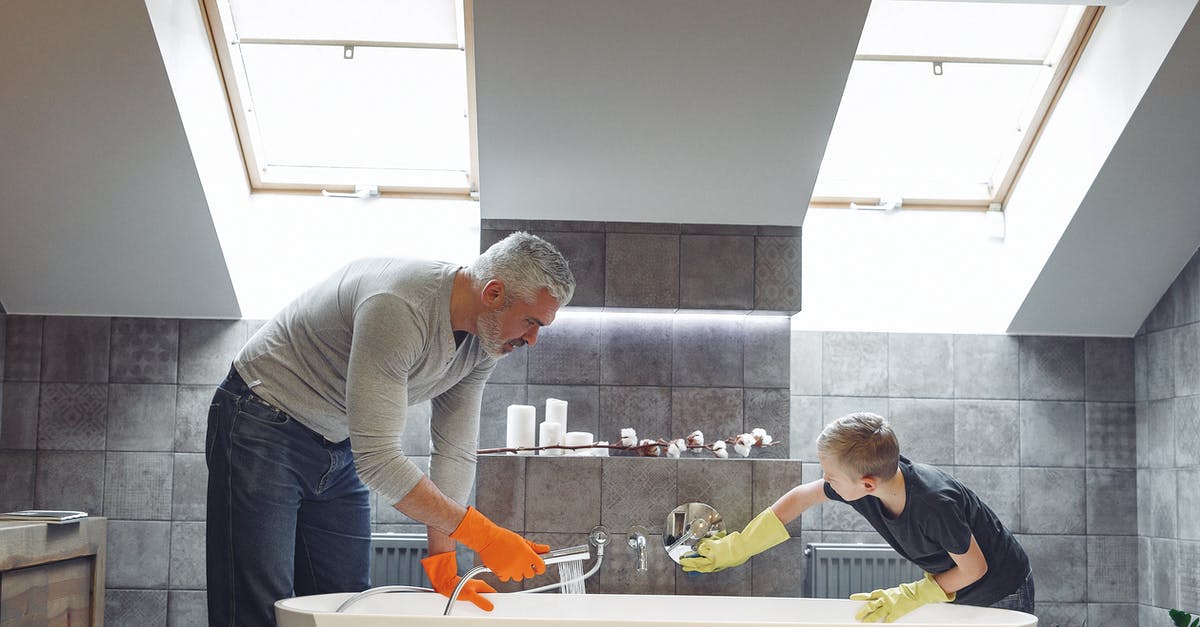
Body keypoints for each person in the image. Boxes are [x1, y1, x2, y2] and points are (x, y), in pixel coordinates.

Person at [205, 232, 575, 626]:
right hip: (262, 421)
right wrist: (483, 536)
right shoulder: (399, 306)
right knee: (256, 608)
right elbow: (379, 459)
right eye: (532, 322)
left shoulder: (484, 343)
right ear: (494, 293)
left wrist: (444, 564)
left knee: (343, 605)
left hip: (336, 443)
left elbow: (454, 449)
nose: (533, 340)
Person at [680, 412, 1034, 622]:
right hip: (959, 587)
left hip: (1001, 589)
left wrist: (910, 595)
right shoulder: (869, 486)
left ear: (865, 482)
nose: (825, 482)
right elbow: (801, 497)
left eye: (830, 476)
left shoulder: (933, 504)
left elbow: (975, 569)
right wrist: (738, 547)